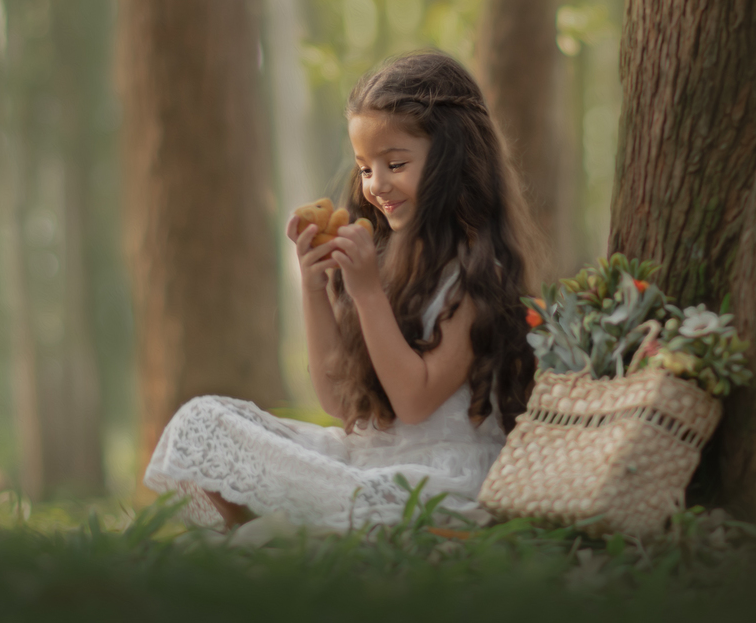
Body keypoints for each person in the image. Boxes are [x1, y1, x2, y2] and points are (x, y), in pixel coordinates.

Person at [144, 50, 540, 530]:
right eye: (366, 167)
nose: (376, 185)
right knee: (202, 423)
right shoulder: (386, 262)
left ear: (452, 157)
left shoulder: (477, 276)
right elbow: (337, 402)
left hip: (436, 481)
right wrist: (315, 287)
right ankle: (244, 541)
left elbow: (415, 403)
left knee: (331, 505)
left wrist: (367, 292)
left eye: (395, 163)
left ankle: (266, 545)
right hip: (364, 458)